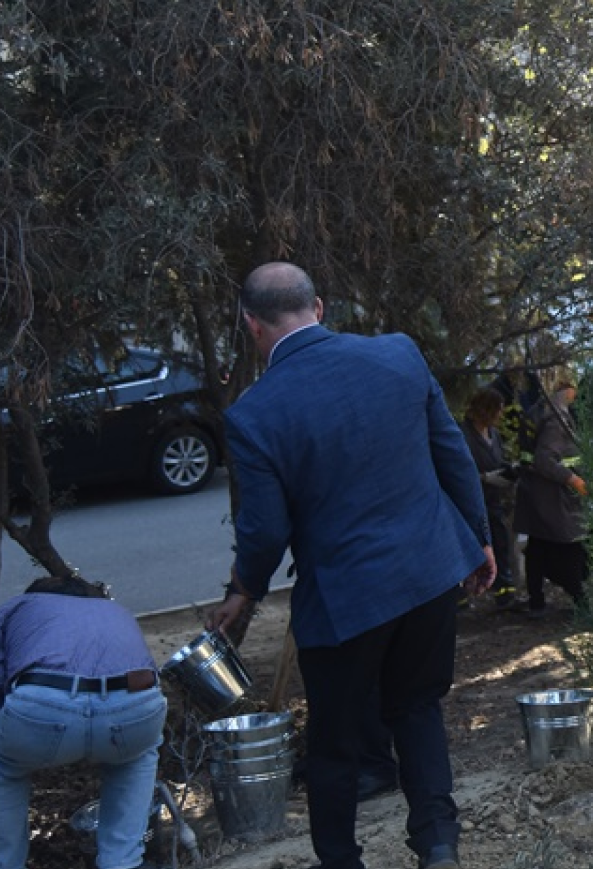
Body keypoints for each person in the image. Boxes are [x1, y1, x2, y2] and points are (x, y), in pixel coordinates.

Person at [208, 262, 495, 869]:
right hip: (428, 574)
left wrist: (243, 589)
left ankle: (341, 859)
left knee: (334, 744)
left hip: (344, 599)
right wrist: (479, 540)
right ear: (318, 308)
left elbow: (265, 530)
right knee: (417, 708)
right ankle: (438, 844)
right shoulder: (398, 354)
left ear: (252, 325)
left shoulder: (254, 414)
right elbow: (452, 453)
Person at [0, 575, 167, 869]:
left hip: (42, 701)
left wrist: (10, 713)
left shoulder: (18, 606)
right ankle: (122, 862)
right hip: (134, 704)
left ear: (35, 595)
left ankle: (2, 864)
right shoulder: (116, 609)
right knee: (137, 757)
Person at [514, 364, 589, 615]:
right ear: (567, 387)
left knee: (537, 547)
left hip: (534, 493)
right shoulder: (557, 418)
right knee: (570, 548)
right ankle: (581, 603)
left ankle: (536, 601)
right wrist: (574, 480)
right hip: (554, 498)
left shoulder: (538, 410)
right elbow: (545, 459)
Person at [461, 385, 523, 610]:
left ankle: (504, 592)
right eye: (497, 410)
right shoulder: (462, 434)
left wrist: (508, 470)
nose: (500, 416)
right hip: (471, 501)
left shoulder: (494, 434)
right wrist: (485, 478)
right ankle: (463, 595)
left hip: (494, 500)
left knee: (500, 542)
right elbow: (457, 471)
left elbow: (497, 460)